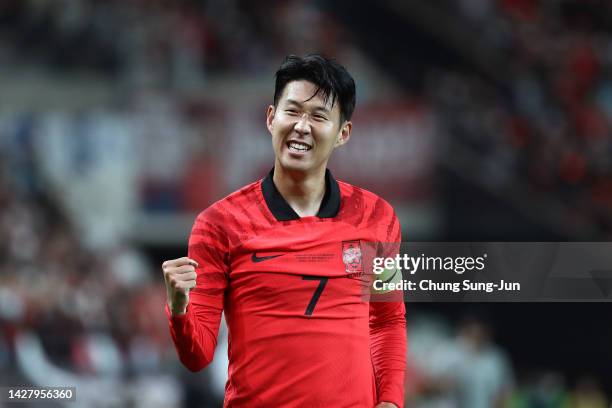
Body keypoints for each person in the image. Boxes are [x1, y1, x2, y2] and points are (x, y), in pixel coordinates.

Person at [162, 54, 406, 407]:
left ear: (343, 133)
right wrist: (179, 308)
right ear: (271, 118)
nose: (302, 127)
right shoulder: (218, 225)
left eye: (319, 116)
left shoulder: (377, 218)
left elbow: (386, 320)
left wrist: (391, 401)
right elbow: (197, 356)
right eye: (292, 111)